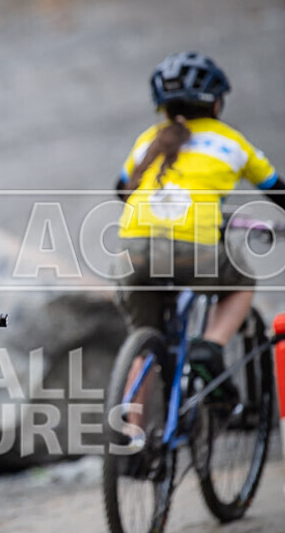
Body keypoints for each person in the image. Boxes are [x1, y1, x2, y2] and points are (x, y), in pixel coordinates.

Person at [113, 51, 285, 395]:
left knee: (145, 349)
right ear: (216, 104)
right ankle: (210, 346)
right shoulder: (231, 142)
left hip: (131, 250)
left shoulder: (149, 140)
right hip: (193, 247)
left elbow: (121, 191)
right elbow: (277, 191)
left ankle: (129, 439)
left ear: (162, 106)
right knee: (241, 283)